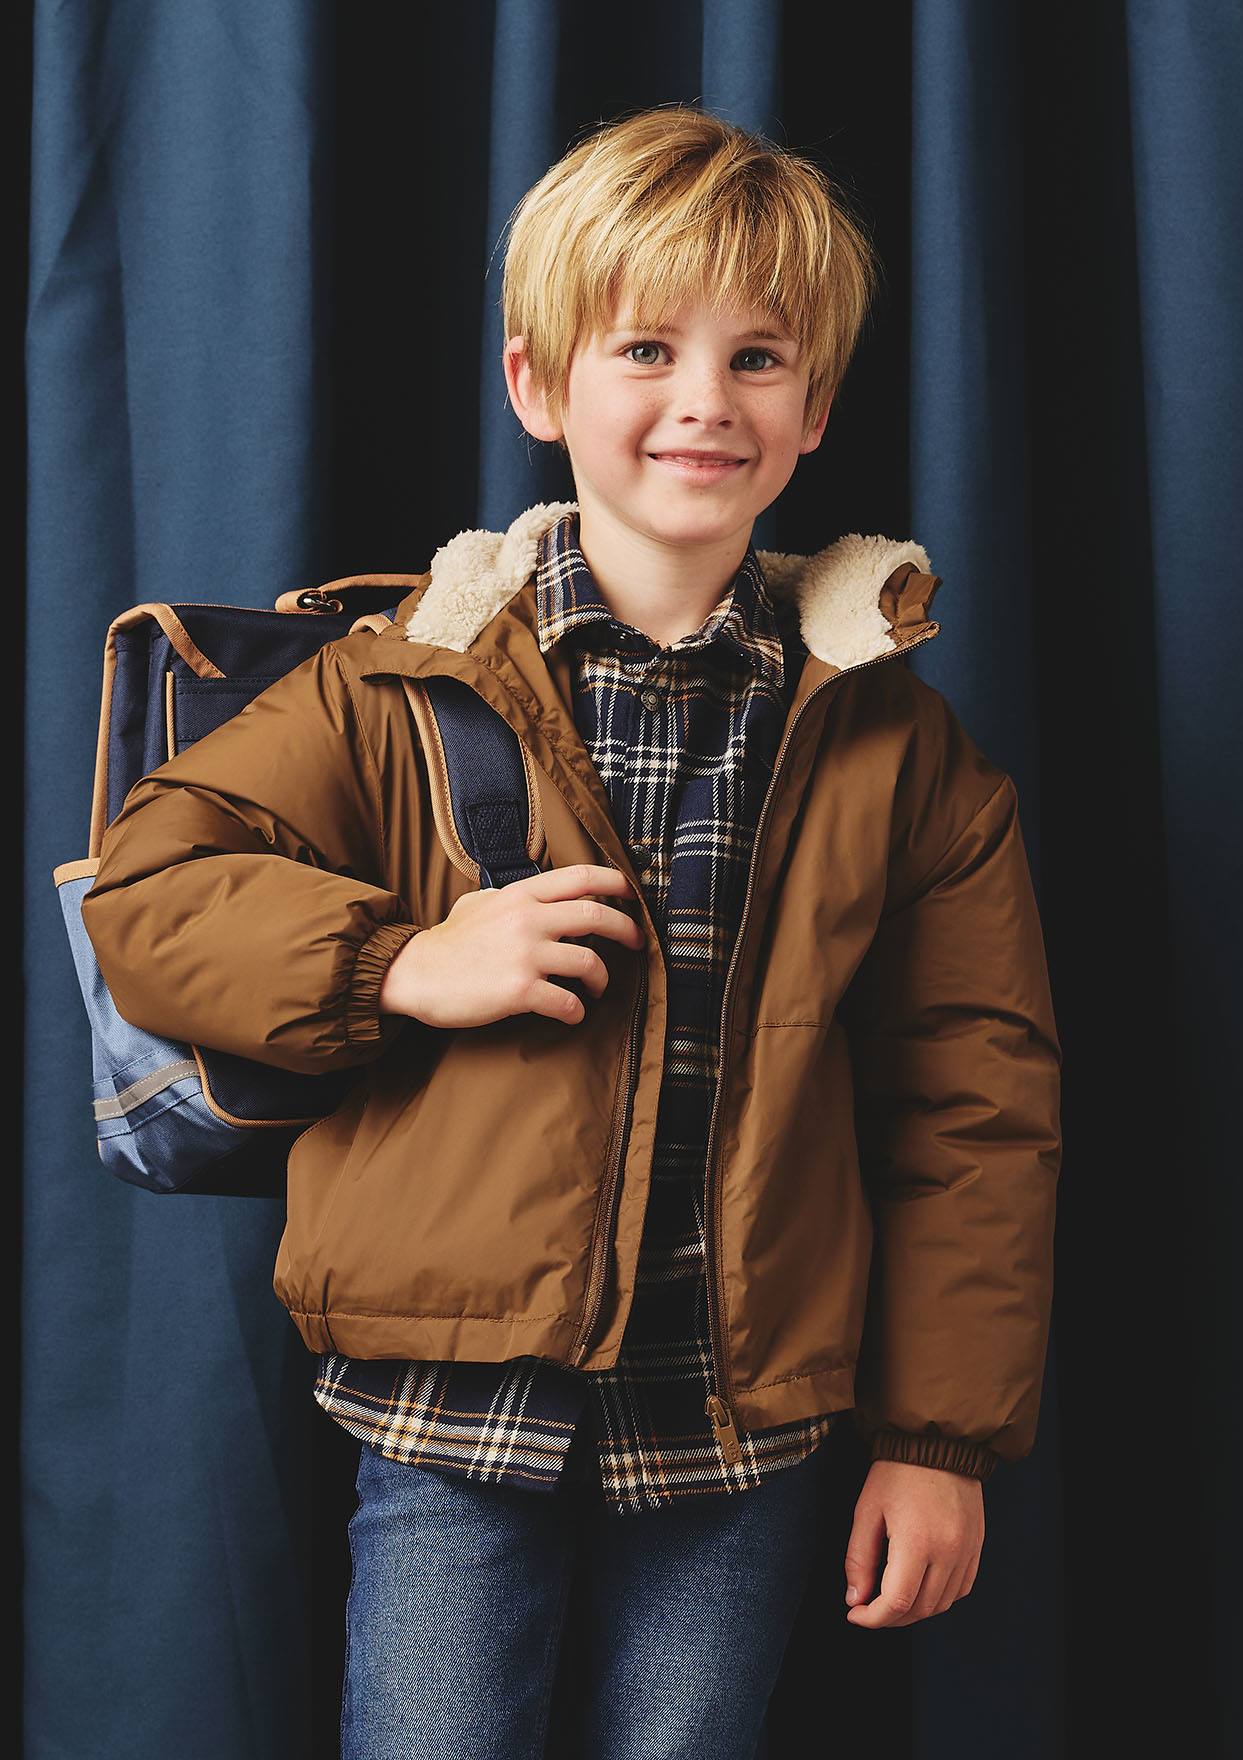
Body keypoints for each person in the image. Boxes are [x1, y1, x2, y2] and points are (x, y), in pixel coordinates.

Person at [82, 103, 1063, 1760]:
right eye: (647, 349)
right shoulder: (395, 677)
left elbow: (979, 1108)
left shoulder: (904, 751)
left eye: (760, 359)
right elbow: (148, 891)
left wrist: (940, 1441)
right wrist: (401, 960)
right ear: (540, 386)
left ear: (815, 410)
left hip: (739, 1423)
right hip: (450, 1408)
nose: (704, 401)